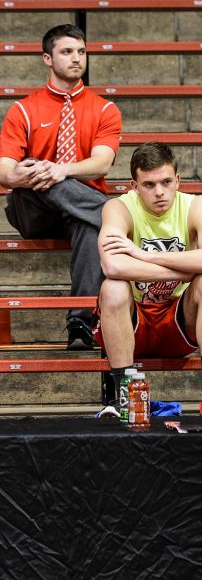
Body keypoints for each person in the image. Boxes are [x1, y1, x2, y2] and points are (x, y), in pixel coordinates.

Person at [0, 24, 122, 350]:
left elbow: (102, 163)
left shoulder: (104, 110)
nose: (76, 58)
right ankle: (118, 216)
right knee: (41, 180)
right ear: (47, 58)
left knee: (90, 226)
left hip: (81, 210)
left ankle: (81, 324)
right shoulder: (23, 110)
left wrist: (60, 170)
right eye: (67, 52)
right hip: (34, 209)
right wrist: (39, 173)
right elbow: (5, 172)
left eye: (81, 52)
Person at [94, 142, 202, 416]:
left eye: (166, 182)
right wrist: (187, 268)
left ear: (178, 180)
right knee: (112, 288)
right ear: (133, 186)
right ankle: (127, 400)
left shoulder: (197, 205)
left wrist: (143, 256)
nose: (159, 192)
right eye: (149, 185)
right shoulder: (118, 208)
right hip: (133, 322)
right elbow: (112, 265)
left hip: (179, 322)